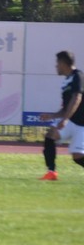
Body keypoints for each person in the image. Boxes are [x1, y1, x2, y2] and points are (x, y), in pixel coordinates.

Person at [39, 50, 84, 181]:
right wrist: (52, 116)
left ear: (64, 63)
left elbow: (77, 98)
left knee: (77, 156)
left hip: (81, 124)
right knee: (50, 135)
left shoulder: (78, 76)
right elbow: (66, 108)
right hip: (71, 121)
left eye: (57, 63)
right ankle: (51, 172)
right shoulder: (66, 81)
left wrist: (64, 120)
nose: (56, 66)